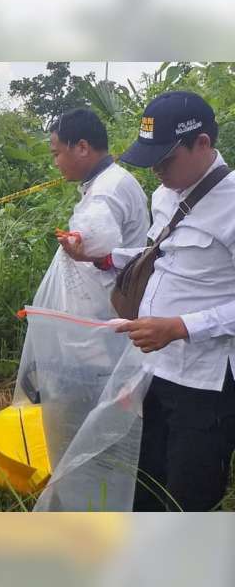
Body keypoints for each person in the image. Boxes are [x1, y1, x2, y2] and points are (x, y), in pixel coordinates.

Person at [113, 91, 235, 511]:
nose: (156, 172)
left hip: (205, 382)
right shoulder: (164, 196)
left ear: (202, 144)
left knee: (189, 494)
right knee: (146, 481)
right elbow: (164, 258)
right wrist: (108, 258)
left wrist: (181, 326)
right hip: (154, 368)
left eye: (165, 160)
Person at [49, 107, 150, 308]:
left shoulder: (104, 193)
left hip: (103, 309)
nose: (55, 163)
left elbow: (94, 256)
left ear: (82, 147)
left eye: (56, 154)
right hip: (118, 299)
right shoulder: (116, 178)